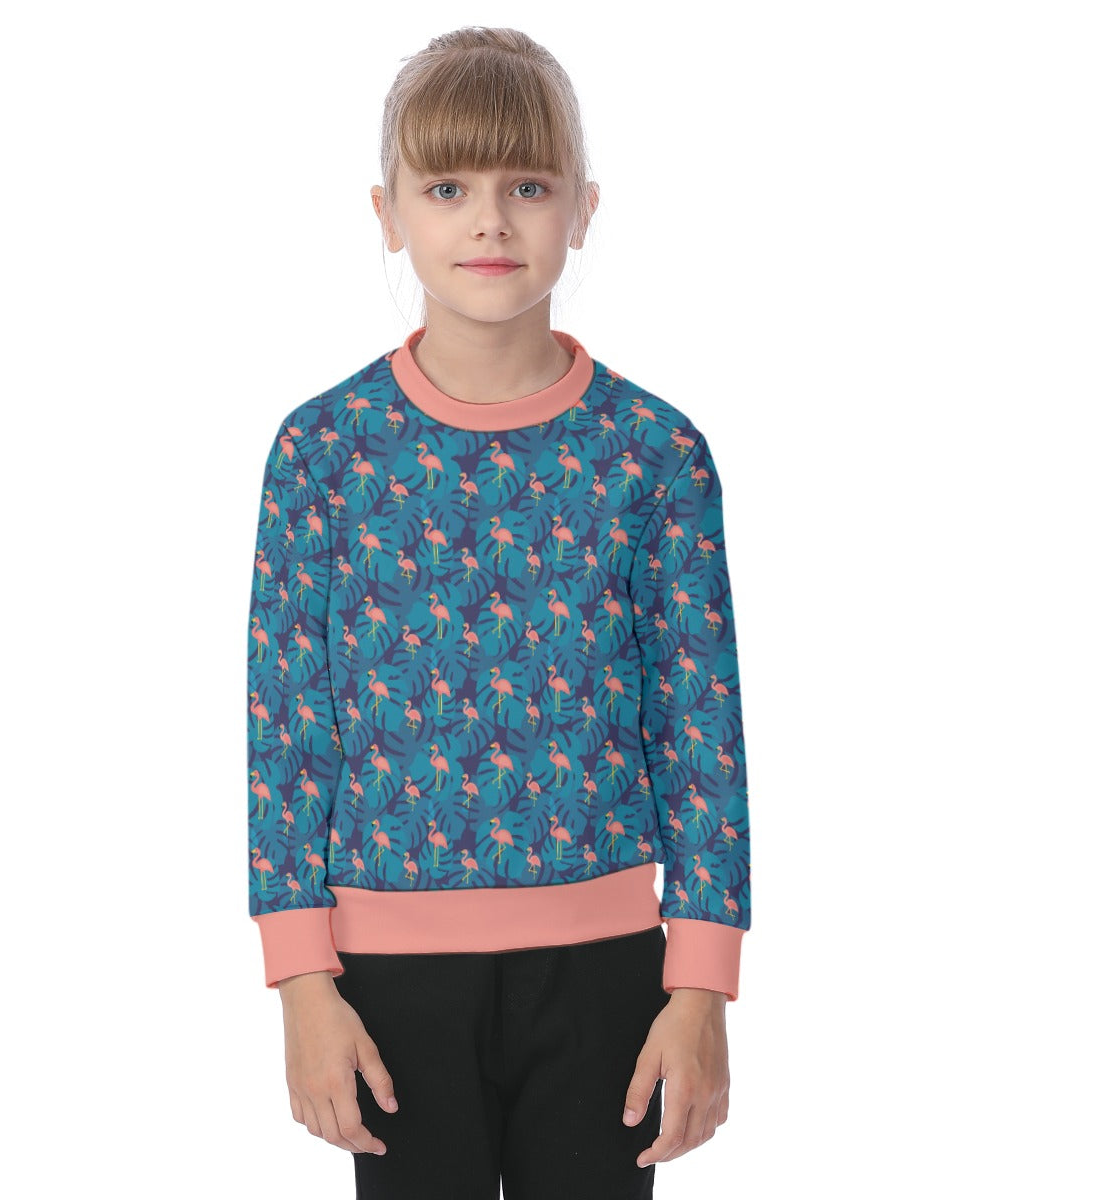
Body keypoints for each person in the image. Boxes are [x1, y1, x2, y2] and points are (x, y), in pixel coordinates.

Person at [246, 25, 751, 1200]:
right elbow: (287, 729)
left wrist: (702, 987)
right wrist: (301, 983)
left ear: (582, 208)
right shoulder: (323, 453)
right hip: (385, 980)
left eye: (527, 186)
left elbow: (700, 727)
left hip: (606, 972)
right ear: (388, 214)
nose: (490, 222)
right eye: (448, 188)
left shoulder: (654, 454)